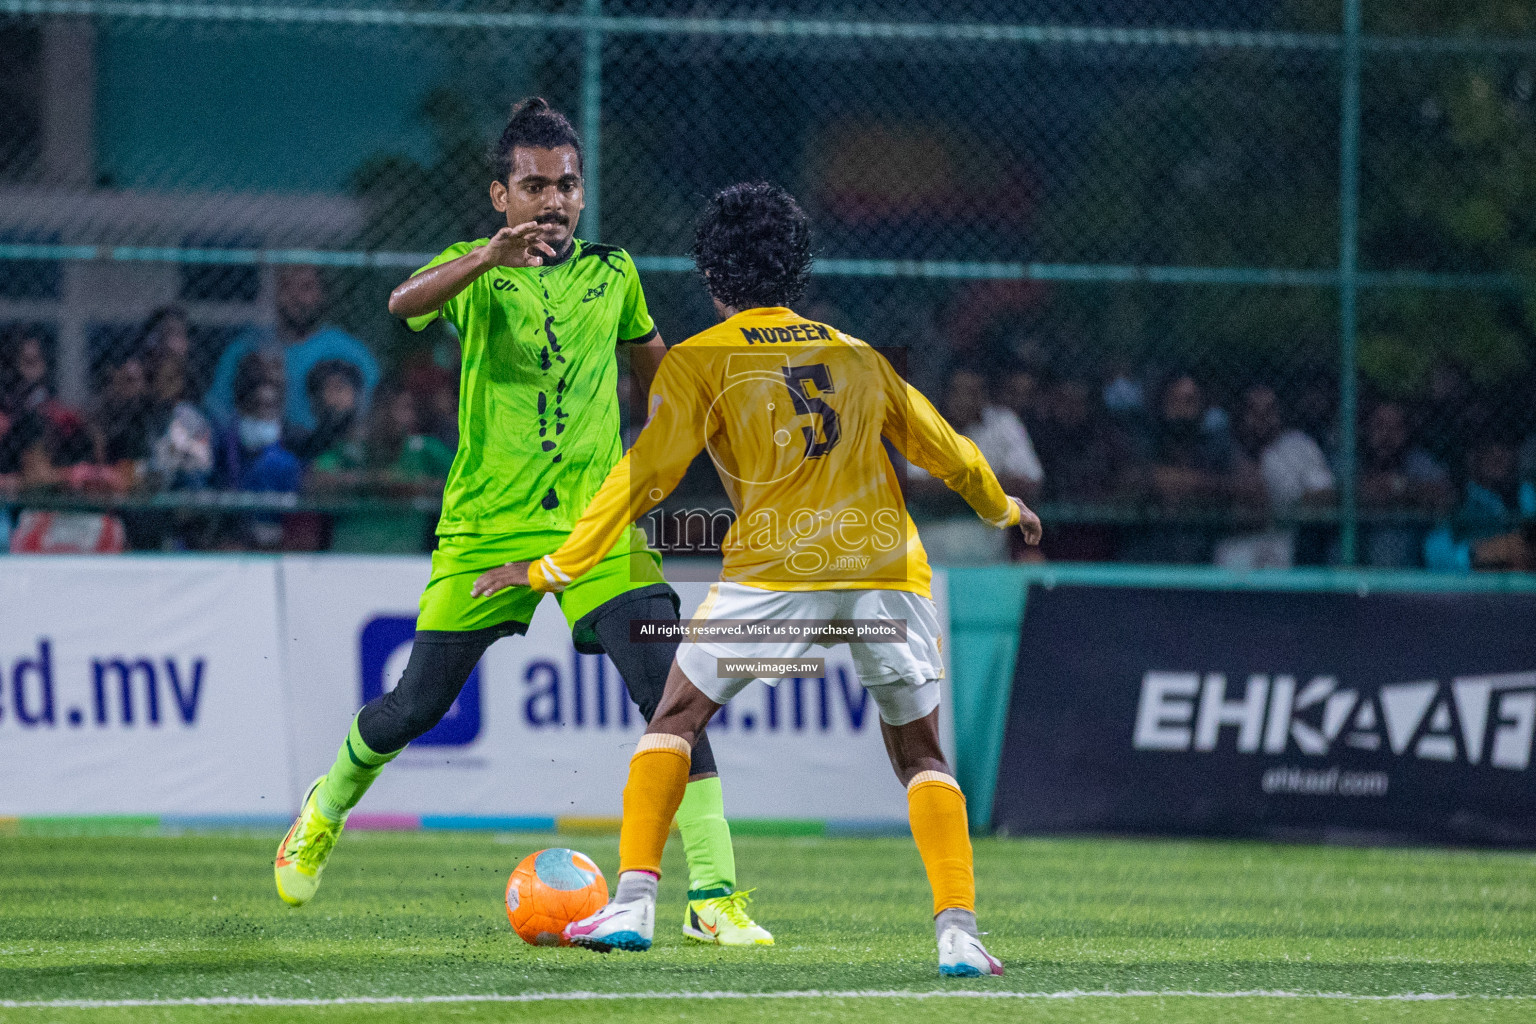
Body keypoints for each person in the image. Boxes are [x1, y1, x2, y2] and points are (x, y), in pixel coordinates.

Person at [475, 182, 1042, 976]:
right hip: (887, 567)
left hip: (778, 566)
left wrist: (554, 566)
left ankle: (633, 903)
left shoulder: (701, 361)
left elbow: (642, 479)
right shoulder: (857, 355)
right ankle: (958, 934)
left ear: (714, 278)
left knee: (674, 716)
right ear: (795, 270)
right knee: (921, 756)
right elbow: (945, 447)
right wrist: (999, 505)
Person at [273, 98, 769, 947]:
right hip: (484, 529)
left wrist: (700, 420)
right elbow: (402, 304)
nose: (554, 200)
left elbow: (663, 376)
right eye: (535, 185)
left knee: (674, 693)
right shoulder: (477, 270)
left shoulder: (613, 275)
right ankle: (325, 807)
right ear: (499, 195)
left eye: (567, 185)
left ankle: (714, 898)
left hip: (597, 526)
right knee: (414, 708)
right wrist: (484, 260)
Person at [206, 265, 380, 433]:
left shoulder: (351, 352)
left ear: (321, 294)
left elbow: (370, 413)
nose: (297, 297)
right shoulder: (246, 348)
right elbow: (217, 410)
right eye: (287, 286)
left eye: (306, 287)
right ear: (276, 292)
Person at [309, 385, 453, 553]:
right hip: (347, 559)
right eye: (388, 408)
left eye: (404, 408)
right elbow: (315, 480)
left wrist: (418, 487)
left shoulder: (425, 450)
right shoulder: (354, 451)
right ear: (375, 411)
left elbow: (465, 483)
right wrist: (372, 481)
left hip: (407, 560)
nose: (396, 417)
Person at [1214, 384, 1336, 569]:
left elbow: (1324, 494)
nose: (1262, 419)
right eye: (1254, 411)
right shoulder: (1225, 448)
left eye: (1269, 411)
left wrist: (1281, 502)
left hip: (1288, 541)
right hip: (1235, 545)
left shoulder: (1299, 446)